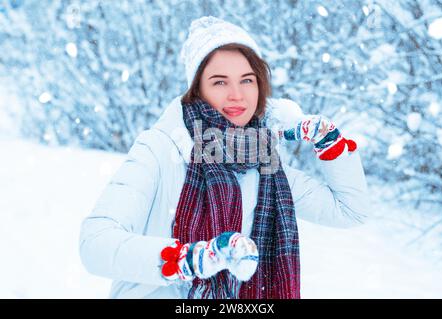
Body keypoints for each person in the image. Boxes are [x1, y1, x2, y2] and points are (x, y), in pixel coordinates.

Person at [79, 16, 370, 299]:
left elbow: (349, 211)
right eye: (220, 82)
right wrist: (189, 259)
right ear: (197, 89)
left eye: (247, 80)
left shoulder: (265, 165)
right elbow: (96, 243)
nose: (237, 95)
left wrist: (330, 142)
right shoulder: (160, 149)